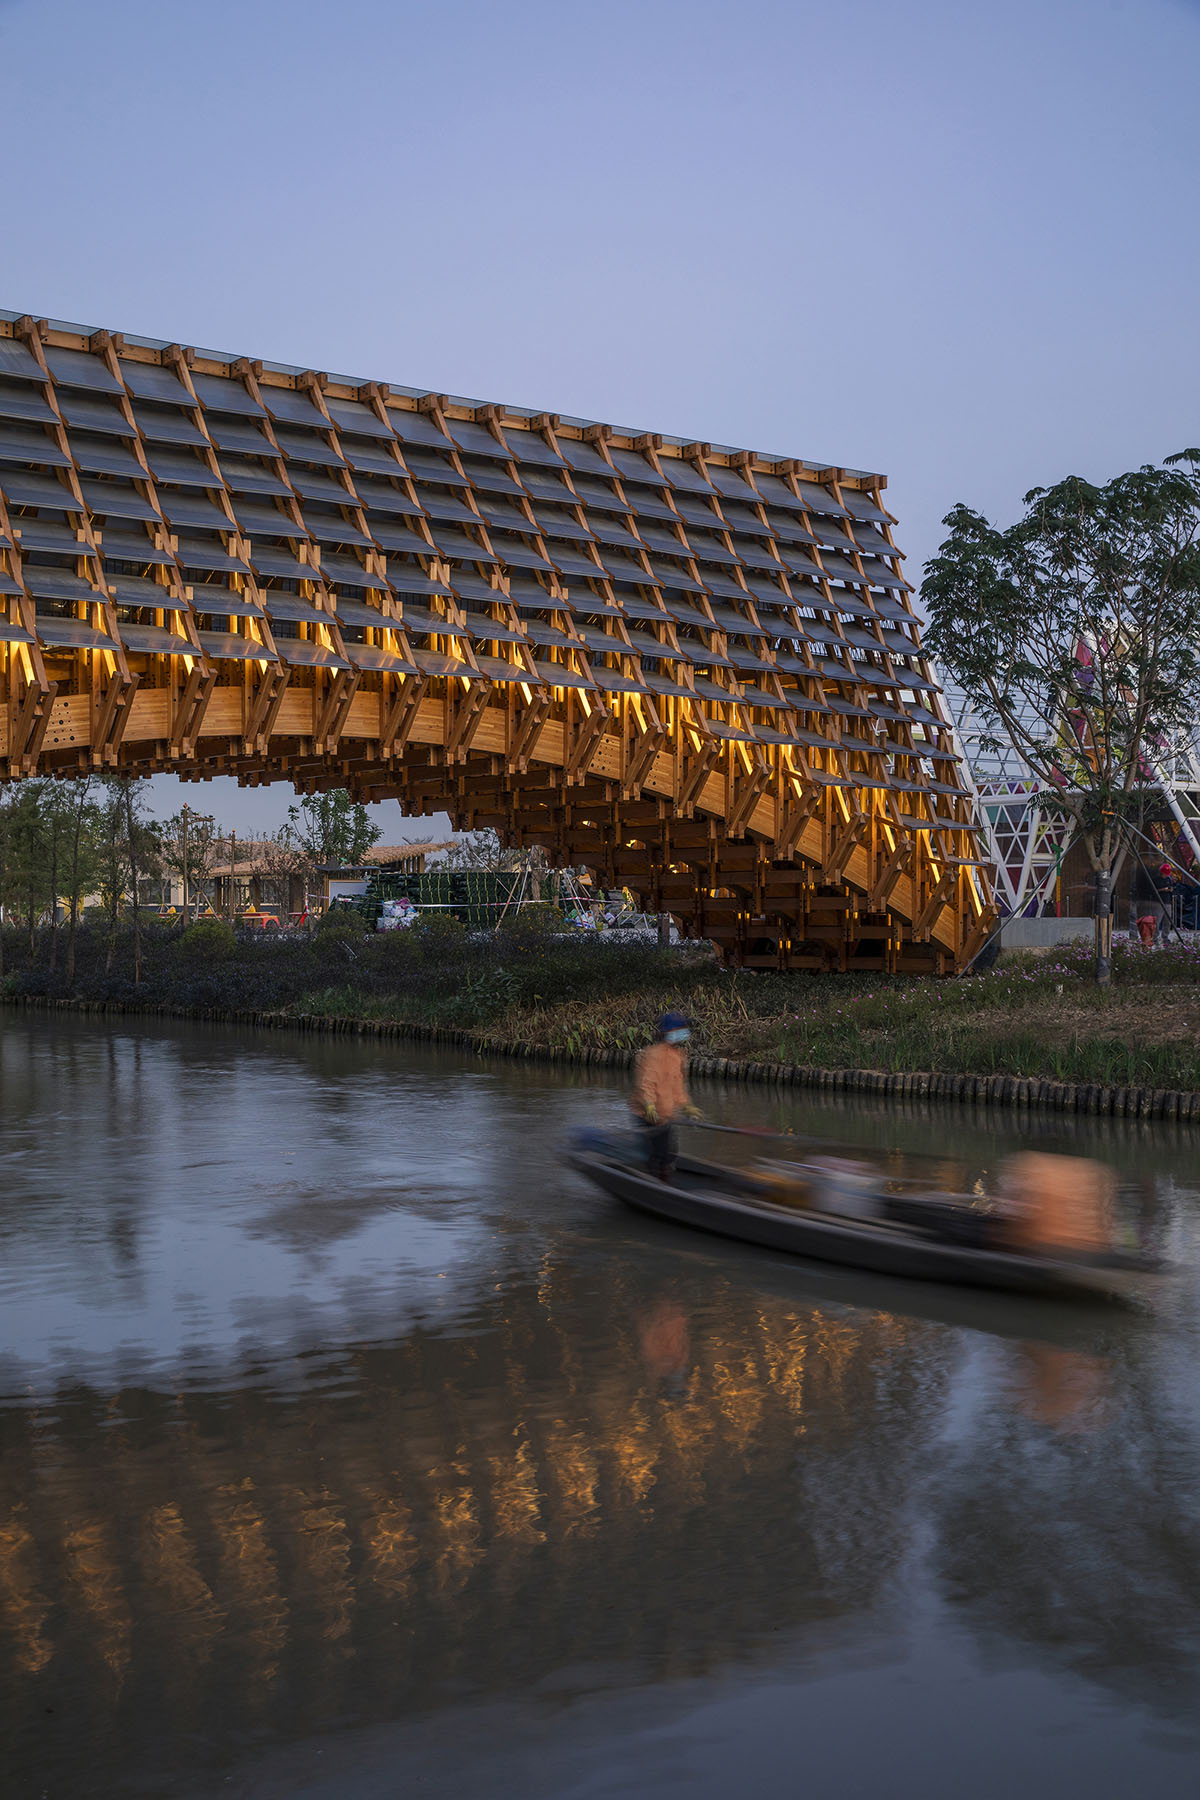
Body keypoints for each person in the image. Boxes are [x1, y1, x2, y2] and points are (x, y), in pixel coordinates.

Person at [630, 1012, 701, 1181]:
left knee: (670, 1152)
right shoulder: (654, 1054)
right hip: (648, 1113)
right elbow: (647, 1083)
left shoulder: (678, 1056)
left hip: (665, 1114)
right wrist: (649, 1105)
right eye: (680, 1029)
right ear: (669, 1032)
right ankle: (653, 1181)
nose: (683, 1032)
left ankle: (663, 1176)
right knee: (657, 1154)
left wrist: (687, 1106)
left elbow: (677, 1087)